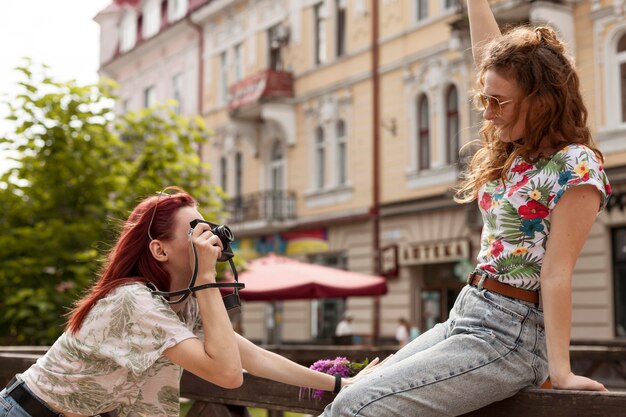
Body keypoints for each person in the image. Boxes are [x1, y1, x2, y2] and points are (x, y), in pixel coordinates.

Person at [320, 0, 612, 415]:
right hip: (467, 312)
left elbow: (556, 271)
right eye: (485, 100)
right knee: (350, 393)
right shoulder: (514, 146)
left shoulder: (576, 165)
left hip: (511, 334)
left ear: (542, 100)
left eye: (499, 103)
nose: (488, 115)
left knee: (357, 405)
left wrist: (560, 371)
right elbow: (489, 55)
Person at [0, 187, 378, 417]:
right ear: (159, 249)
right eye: (196, 231)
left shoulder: (181, 304)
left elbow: (251, 357)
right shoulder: (133, 301)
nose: (209, 238)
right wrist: (207, 279)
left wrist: (339, 385)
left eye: (209, 229)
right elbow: (228, 375)